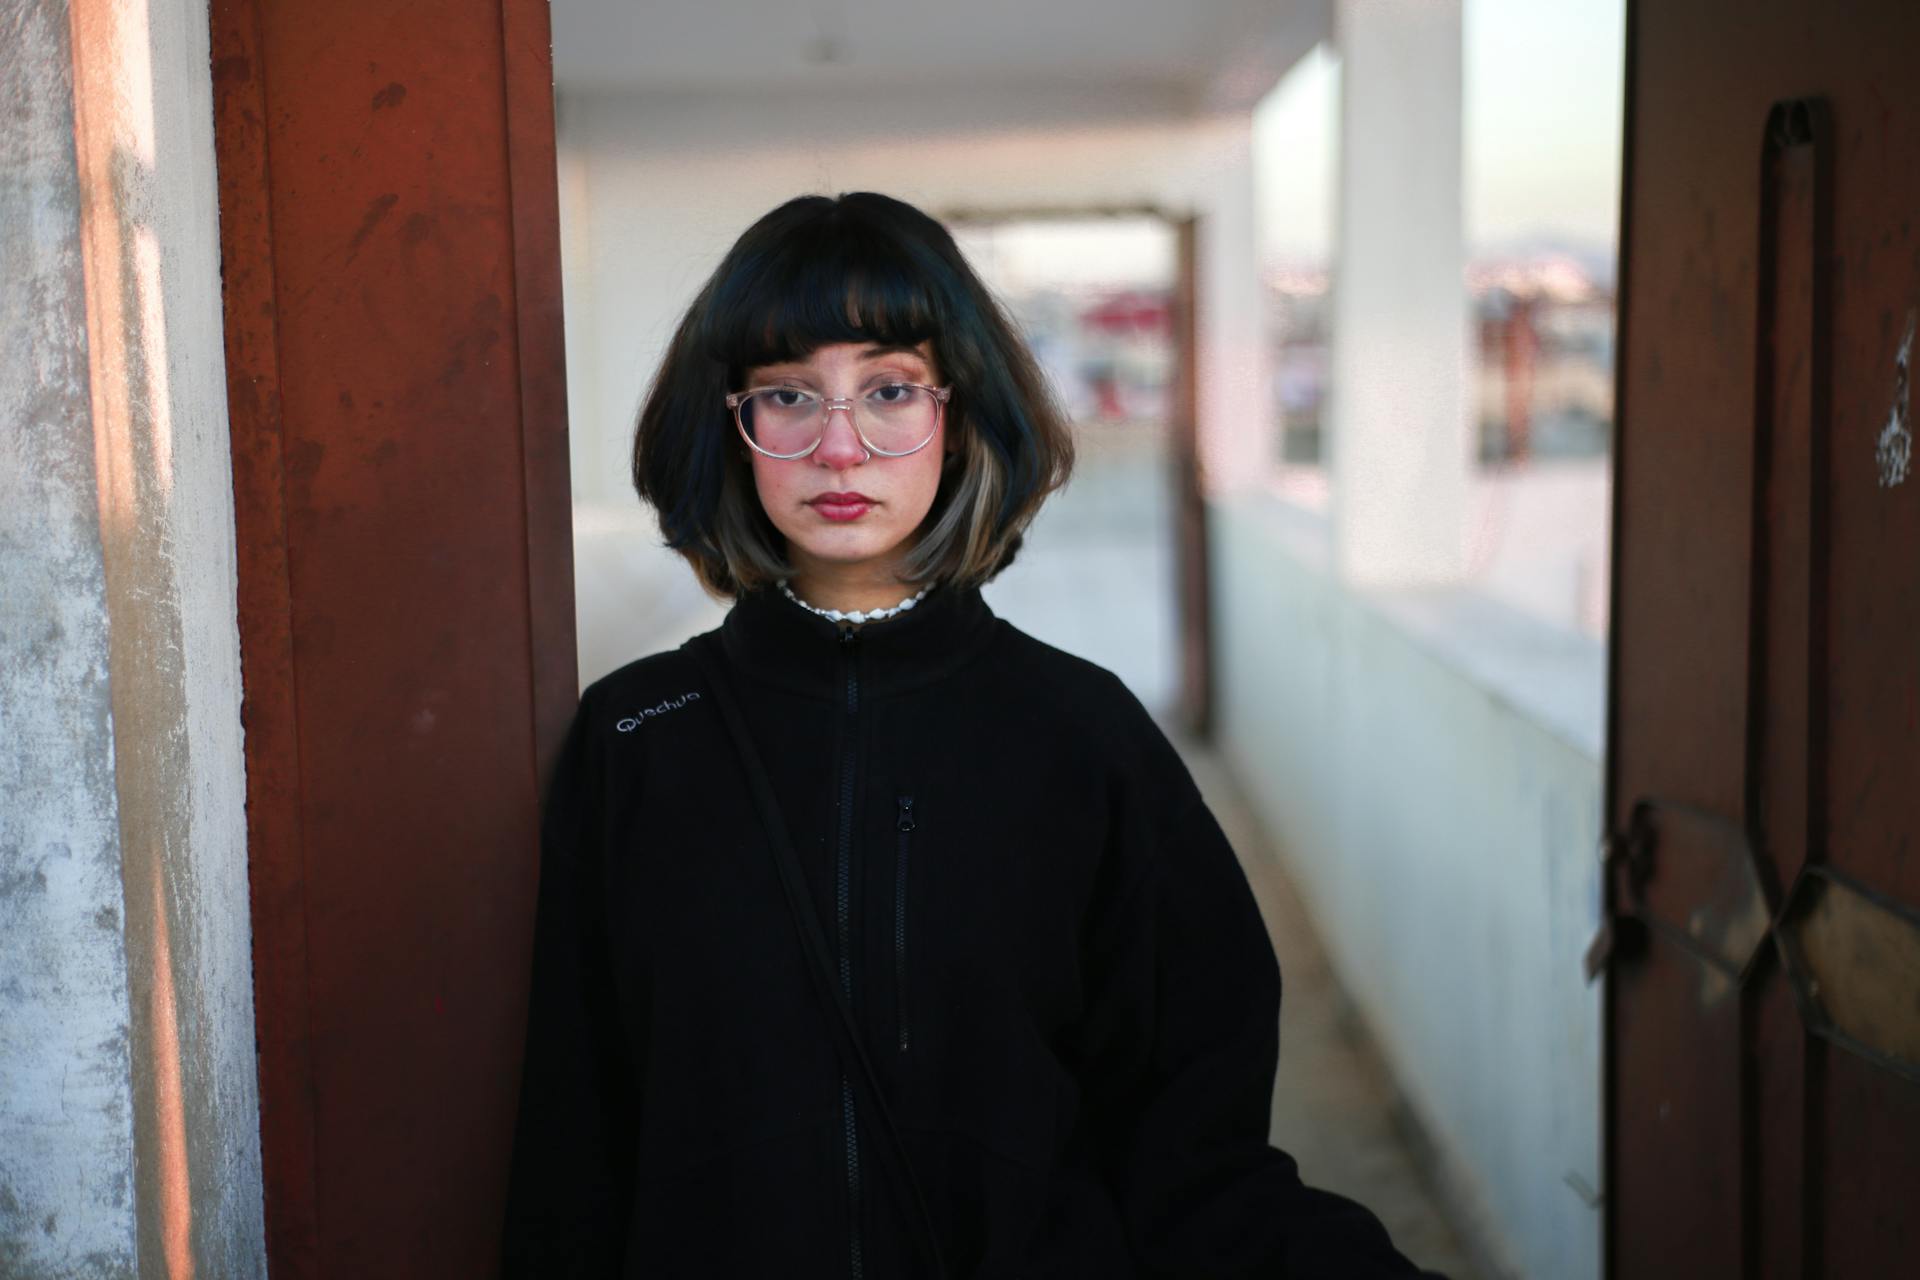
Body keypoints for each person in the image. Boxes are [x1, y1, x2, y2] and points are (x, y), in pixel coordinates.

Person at [501, 191, 1442, 1279]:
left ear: (959, 413)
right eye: (787, 395)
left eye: (890, 389)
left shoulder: (1085, 741)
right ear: (731, 424)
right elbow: (573, 1154)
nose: (838, 445)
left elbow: (1191, 1157)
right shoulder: (639, 739)